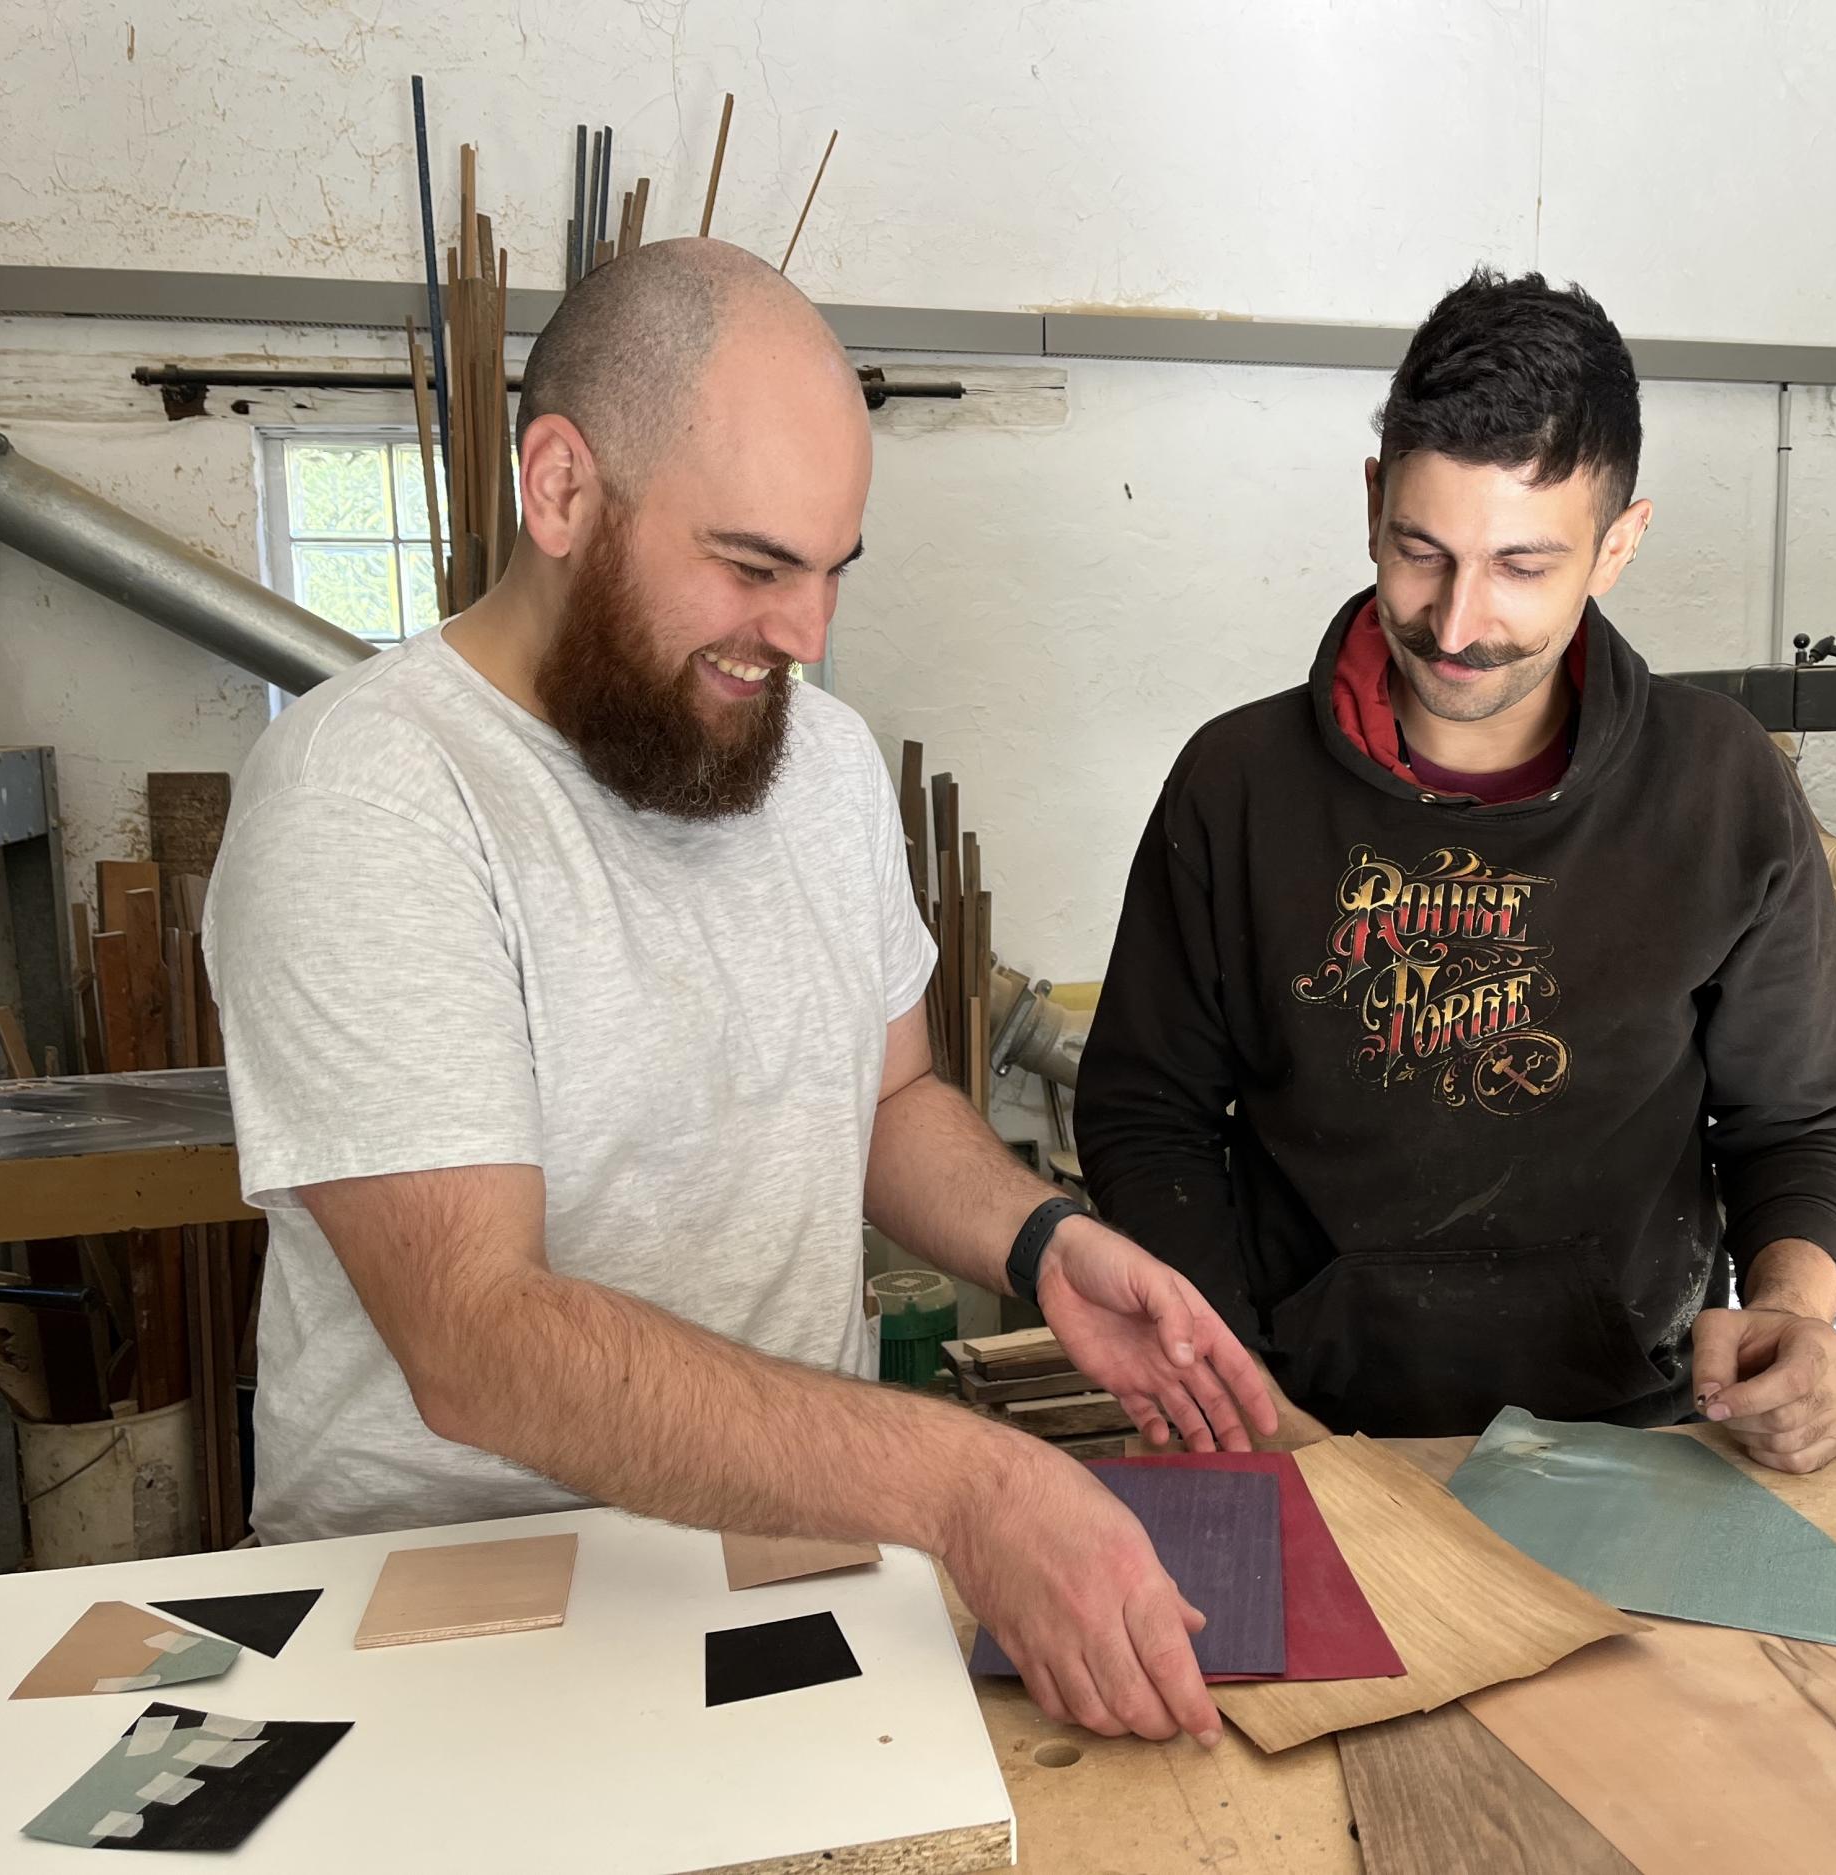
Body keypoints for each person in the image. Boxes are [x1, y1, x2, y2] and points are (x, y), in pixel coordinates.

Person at [204, 238, 1276, 1748]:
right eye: (755, 564)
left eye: (833, 570)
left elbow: (888, 1096)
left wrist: (1043, 1239)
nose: (805, 634)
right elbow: (476, 1334)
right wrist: (966, 1479)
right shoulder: (374, 792)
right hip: (454, 1609)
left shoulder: (817, 761)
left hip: (788, 1550)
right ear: (562, 488)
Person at [1076, 268, 1836, 1474]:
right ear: (1370, 504)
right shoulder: (1235, 785)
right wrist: (1238, 1397)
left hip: (1641, 1441)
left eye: (1521, 566)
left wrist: (1796, 1320)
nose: (1455, 624)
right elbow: (1148, 1117)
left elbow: (1800, 1120)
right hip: (1299, 1429)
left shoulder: (1720, 787)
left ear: (1617, 546)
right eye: (1422, 553)